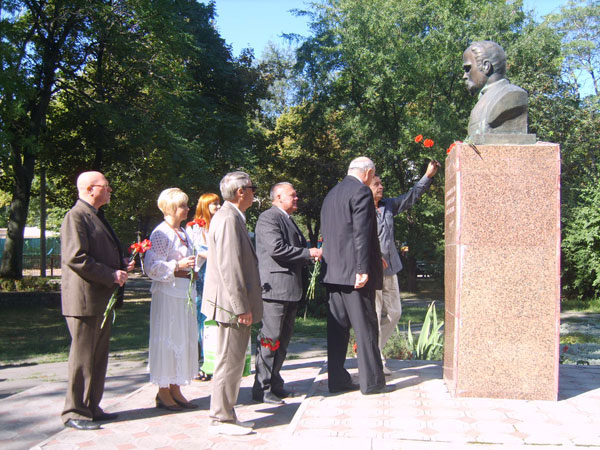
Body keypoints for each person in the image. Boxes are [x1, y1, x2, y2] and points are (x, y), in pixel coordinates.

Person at [60, 171, 132, 430]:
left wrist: (120, 264)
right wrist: (111, 274)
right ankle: (75, 412)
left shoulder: (96, 216)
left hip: (100, 300)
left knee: (98, 358)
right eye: (106, 186)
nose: (110, 190)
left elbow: (98, 252)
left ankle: (91, 407)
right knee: (82, 359)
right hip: (84, 301)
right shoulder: (76, 216)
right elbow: (76, 257)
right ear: (90, 189)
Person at [320, 157, 389, 395]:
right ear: (368, 172)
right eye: (374, 174)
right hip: (354, 275)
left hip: (333, 273)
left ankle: (337, 380)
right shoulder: (361, 192)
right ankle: (372, 382)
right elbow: (361, 233)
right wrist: (362, 269)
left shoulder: (331, 194)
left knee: (337, 331)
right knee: (366, 328)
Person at [201, 171, 263, 436]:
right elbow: (230, 267)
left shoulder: (230, 216)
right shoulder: (228, 219)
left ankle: (226, 414)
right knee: (229, 361)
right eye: (252, 188)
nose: (254, 193)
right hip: (230, 306)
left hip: (230, 304)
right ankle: (221, 419)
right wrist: (241, 307)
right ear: (241, 192)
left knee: (232, 360)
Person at [252, 182, 322, 404]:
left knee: (282, 341)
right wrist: (308, 253)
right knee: (270, 340)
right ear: (278, 197)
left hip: (290, 289)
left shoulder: (288, 219)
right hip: (274, 290)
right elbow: (276, 248)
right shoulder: (268, 218)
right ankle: (262, 388)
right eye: (292, 195)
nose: (297, 197)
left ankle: (274, 383)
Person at [368, 161, 440, 375]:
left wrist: (427, 176)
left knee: (395, 313)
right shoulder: (361, 209)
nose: (381, 187)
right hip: (371, 271)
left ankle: (370, 348)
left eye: (381, 183)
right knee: (374, 315)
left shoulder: (388, 206)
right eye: (376, 184)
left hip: (390, 270)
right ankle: (375, 360)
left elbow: (410, 197)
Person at [144, 188, 199, 411]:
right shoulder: (161, 233)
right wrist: (177, 265)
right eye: (183, 205)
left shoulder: (183, 232)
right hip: (168, 293)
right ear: (171, 208)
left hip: (184, 291)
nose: (187, 209)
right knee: (168, 338)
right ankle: (163, 391)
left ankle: (176, 387)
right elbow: (151, 267)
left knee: (182, 338)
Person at [186, 192, 221, 380]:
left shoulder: (219, 224)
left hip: (218, 273)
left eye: (218, 203)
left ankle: (215, 360)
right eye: (214, 204)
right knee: (203, 317)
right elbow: (198, 249)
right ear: (204, 206)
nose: (218, 206)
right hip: (203, 274)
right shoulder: (195, 227)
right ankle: (204, 363)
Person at [463, 40, 529, 137]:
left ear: (486, 66)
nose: (464, 76)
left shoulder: (512, 95)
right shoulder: (482, 101)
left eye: (468, 69)